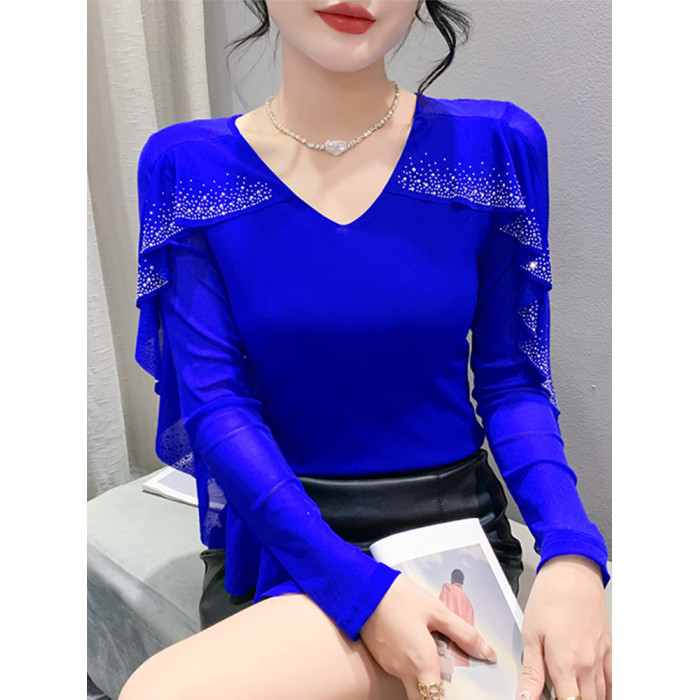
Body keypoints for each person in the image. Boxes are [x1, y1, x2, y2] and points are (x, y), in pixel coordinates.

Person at [120, 2, 612, 699]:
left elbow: (512, 384)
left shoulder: (494, 146)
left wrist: (571, 550)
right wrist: (360, 592)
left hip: (447, 530)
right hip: (286, 533)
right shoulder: (189, 166)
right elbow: (216, 405)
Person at [437, 569, 475, 673]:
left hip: (445, 639)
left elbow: (439, 610)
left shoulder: (447, 588)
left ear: (452, 578)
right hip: (458, 650)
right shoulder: (468, 602)